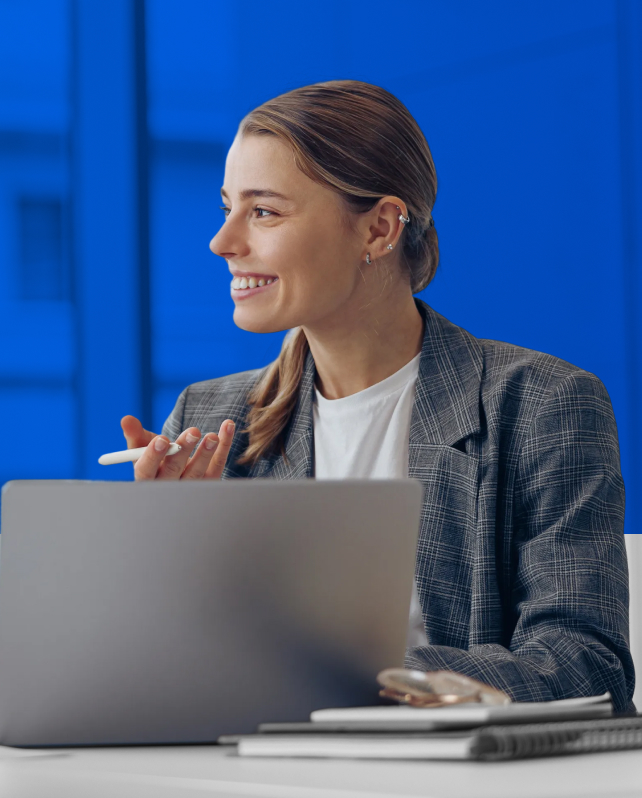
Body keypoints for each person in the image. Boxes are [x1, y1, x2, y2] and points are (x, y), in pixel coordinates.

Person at [121, 81, 633, 710]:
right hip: (264, 776)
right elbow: (167, 670)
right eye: (226, 207)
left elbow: (585, 662)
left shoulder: (541, 405)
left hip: (459, 789)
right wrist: (174, 555)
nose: (223, 242)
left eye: (264, 211)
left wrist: (364, 675)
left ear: (380, 228)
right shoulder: (208, 420)